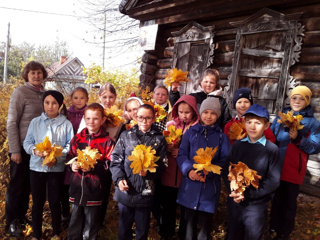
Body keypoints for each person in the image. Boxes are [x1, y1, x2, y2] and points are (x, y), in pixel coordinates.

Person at [223, 104, 281, 240]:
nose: (252, 127)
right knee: (233, 235)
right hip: (235, 203)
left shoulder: (272, 150)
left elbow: (273, 181)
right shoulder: (237, 145)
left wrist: (248, 194)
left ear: (266, 126)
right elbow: (227, 169)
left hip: (255, 206)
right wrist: (234, 191)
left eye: (258, 123)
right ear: (244, 123)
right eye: (249, 122)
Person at [269, 86, 320, 239]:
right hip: (277, 168)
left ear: (307, 101)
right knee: (276, 200)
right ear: (289, 99)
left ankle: (284, 232)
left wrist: (298, 138)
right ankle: (272, 227)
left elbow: (315, 147)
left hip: (293, 170)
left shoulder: (312, 123)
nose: (297, 101)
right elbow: (271, 137)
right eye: (294, 98)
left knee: (289, 202)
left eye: (302, 98)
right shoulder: (281, 118)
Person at [110, 104, 167, 240]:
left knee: (142, 230)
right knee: (123, 230)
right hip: (126, 190)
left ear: (154, 119)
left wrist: (150, 173)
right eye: (141, 117)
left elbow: (163, 165)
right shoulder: (126, 135)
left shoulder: (159, 139)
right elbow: (116, 160)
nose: (144, 121)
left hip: (145, 192)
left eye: (148, 118)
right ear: (135, 117)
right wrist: (119, 179)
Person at [177, 97, 230, 240]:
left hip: (209, 187)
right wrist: (189, 170)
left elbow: (224, 160)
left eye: (213, 113)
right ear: (200, 113)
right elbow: (182, 154)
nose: (208, 116)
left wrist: (211, 171)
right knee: (188, 225)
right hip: (190, 186)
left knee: (204, 228)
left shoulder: (221, 137)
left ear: (217, 115)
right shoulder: (191, 132)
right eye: (205, 112)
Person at [23, 90, 74, 240]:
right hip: (37, 168)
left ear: (59, 105)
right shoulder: (35, 122)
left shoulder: (66, 124)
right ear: (43, 104)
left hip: (55, 169)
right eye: (47, 103)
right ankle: (36, 235)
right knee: (37, 202)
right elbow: (27, 143)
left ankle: (56, 233)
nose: (50, 106)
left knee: (54, 202)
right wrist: (34, 151)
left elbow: (69, 146)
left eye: (54, 103)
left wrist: (57, 158)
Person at [5, 61, 47, 237]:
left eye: (39, 72)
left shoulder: (46, 94)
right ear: (26, 75)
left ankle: (22, 217)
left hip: (38, 150)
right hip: (21, 148)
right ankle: (11, 222)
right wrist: (14, 149)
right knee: (16, 185)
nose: (36, 76)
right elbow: (12, 122)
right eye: (32, 73)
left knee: (29, 185)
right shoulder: (20, 92)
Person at [67, 103, 115, 240]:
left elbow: (109, 165)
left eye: (95, 119)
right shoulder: (77, 138)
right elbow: (69, 157)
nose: (91, 122)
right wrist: (72, 166)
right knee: (74, 221)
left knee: (91, 223)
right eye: (88, 118)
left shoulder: (107, 142)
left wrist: (93, 167)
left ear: (102, 120)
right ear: (84, 118)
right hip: (77, 187)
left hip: (94, 189)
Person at [77, 83, 121, 225]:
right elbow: (80, 134)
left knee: (103, 189)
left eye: (111, 97)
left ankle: (98, 221)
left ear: (115, 97)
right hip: (89, 156)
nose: (107, 100)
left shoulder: (119, 118)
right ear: (99, 97)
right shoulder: (92, 112)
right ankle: (83, 220)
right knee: (87, 188)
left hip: (107, 158)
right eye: (104, 97)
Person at [159, 95, 200, 240]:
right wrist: (168, 148)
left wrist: (183, 153)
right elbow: (160, 145)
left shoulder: (197, 128)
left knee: (185, 210)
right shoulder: (170, 125)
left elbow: (199, 151)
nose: (183, 115)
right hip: (169, 174)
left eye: (187, 112)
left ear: (194, 111)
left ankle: (183, 234)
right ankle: (166, 233)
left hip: (186, 177)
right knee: (168, 207)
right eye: (181, 112)